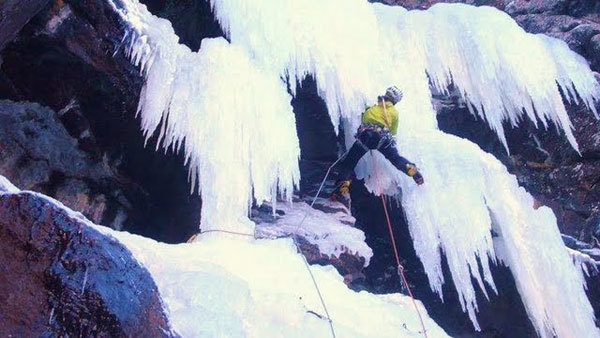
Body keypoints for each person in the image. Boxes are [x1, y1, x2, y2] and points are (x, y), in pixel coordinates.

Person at [333, 86, 424, 198]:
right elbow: (393, 131)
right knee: (395, 158)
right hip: (382, 139)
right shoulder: (394, 113)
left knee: (350, 161)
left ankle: (342, 184)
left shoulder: (372, 109)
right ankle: (409, 168)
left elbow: (364, 118)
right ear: (395, 101)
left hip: (366, 138)